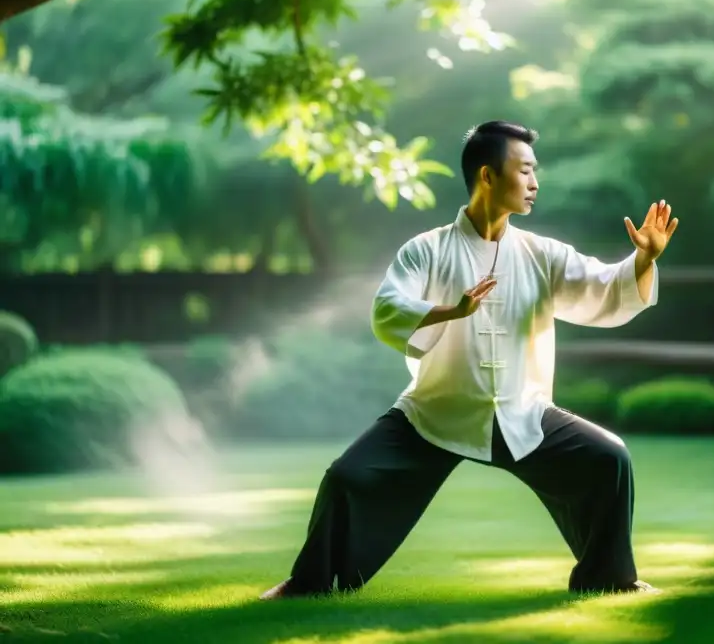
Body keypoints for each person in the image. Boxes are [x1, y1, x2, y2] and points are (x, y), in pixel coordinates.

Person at [260, 120, 678, 601]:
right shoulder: (426, 250)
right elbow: (388, 309)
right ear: (487, 176)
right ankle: (309, 583)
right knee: (346, 477)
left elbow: (603, 287)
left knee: (609, 458)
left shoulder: (542, 254)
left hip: (523, 412)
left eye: (535, 171)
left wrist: (643, 261)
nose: (535, 183)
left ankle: (608, 577)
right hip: (437, 412)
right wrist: (452, 310)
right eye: (524, 171)